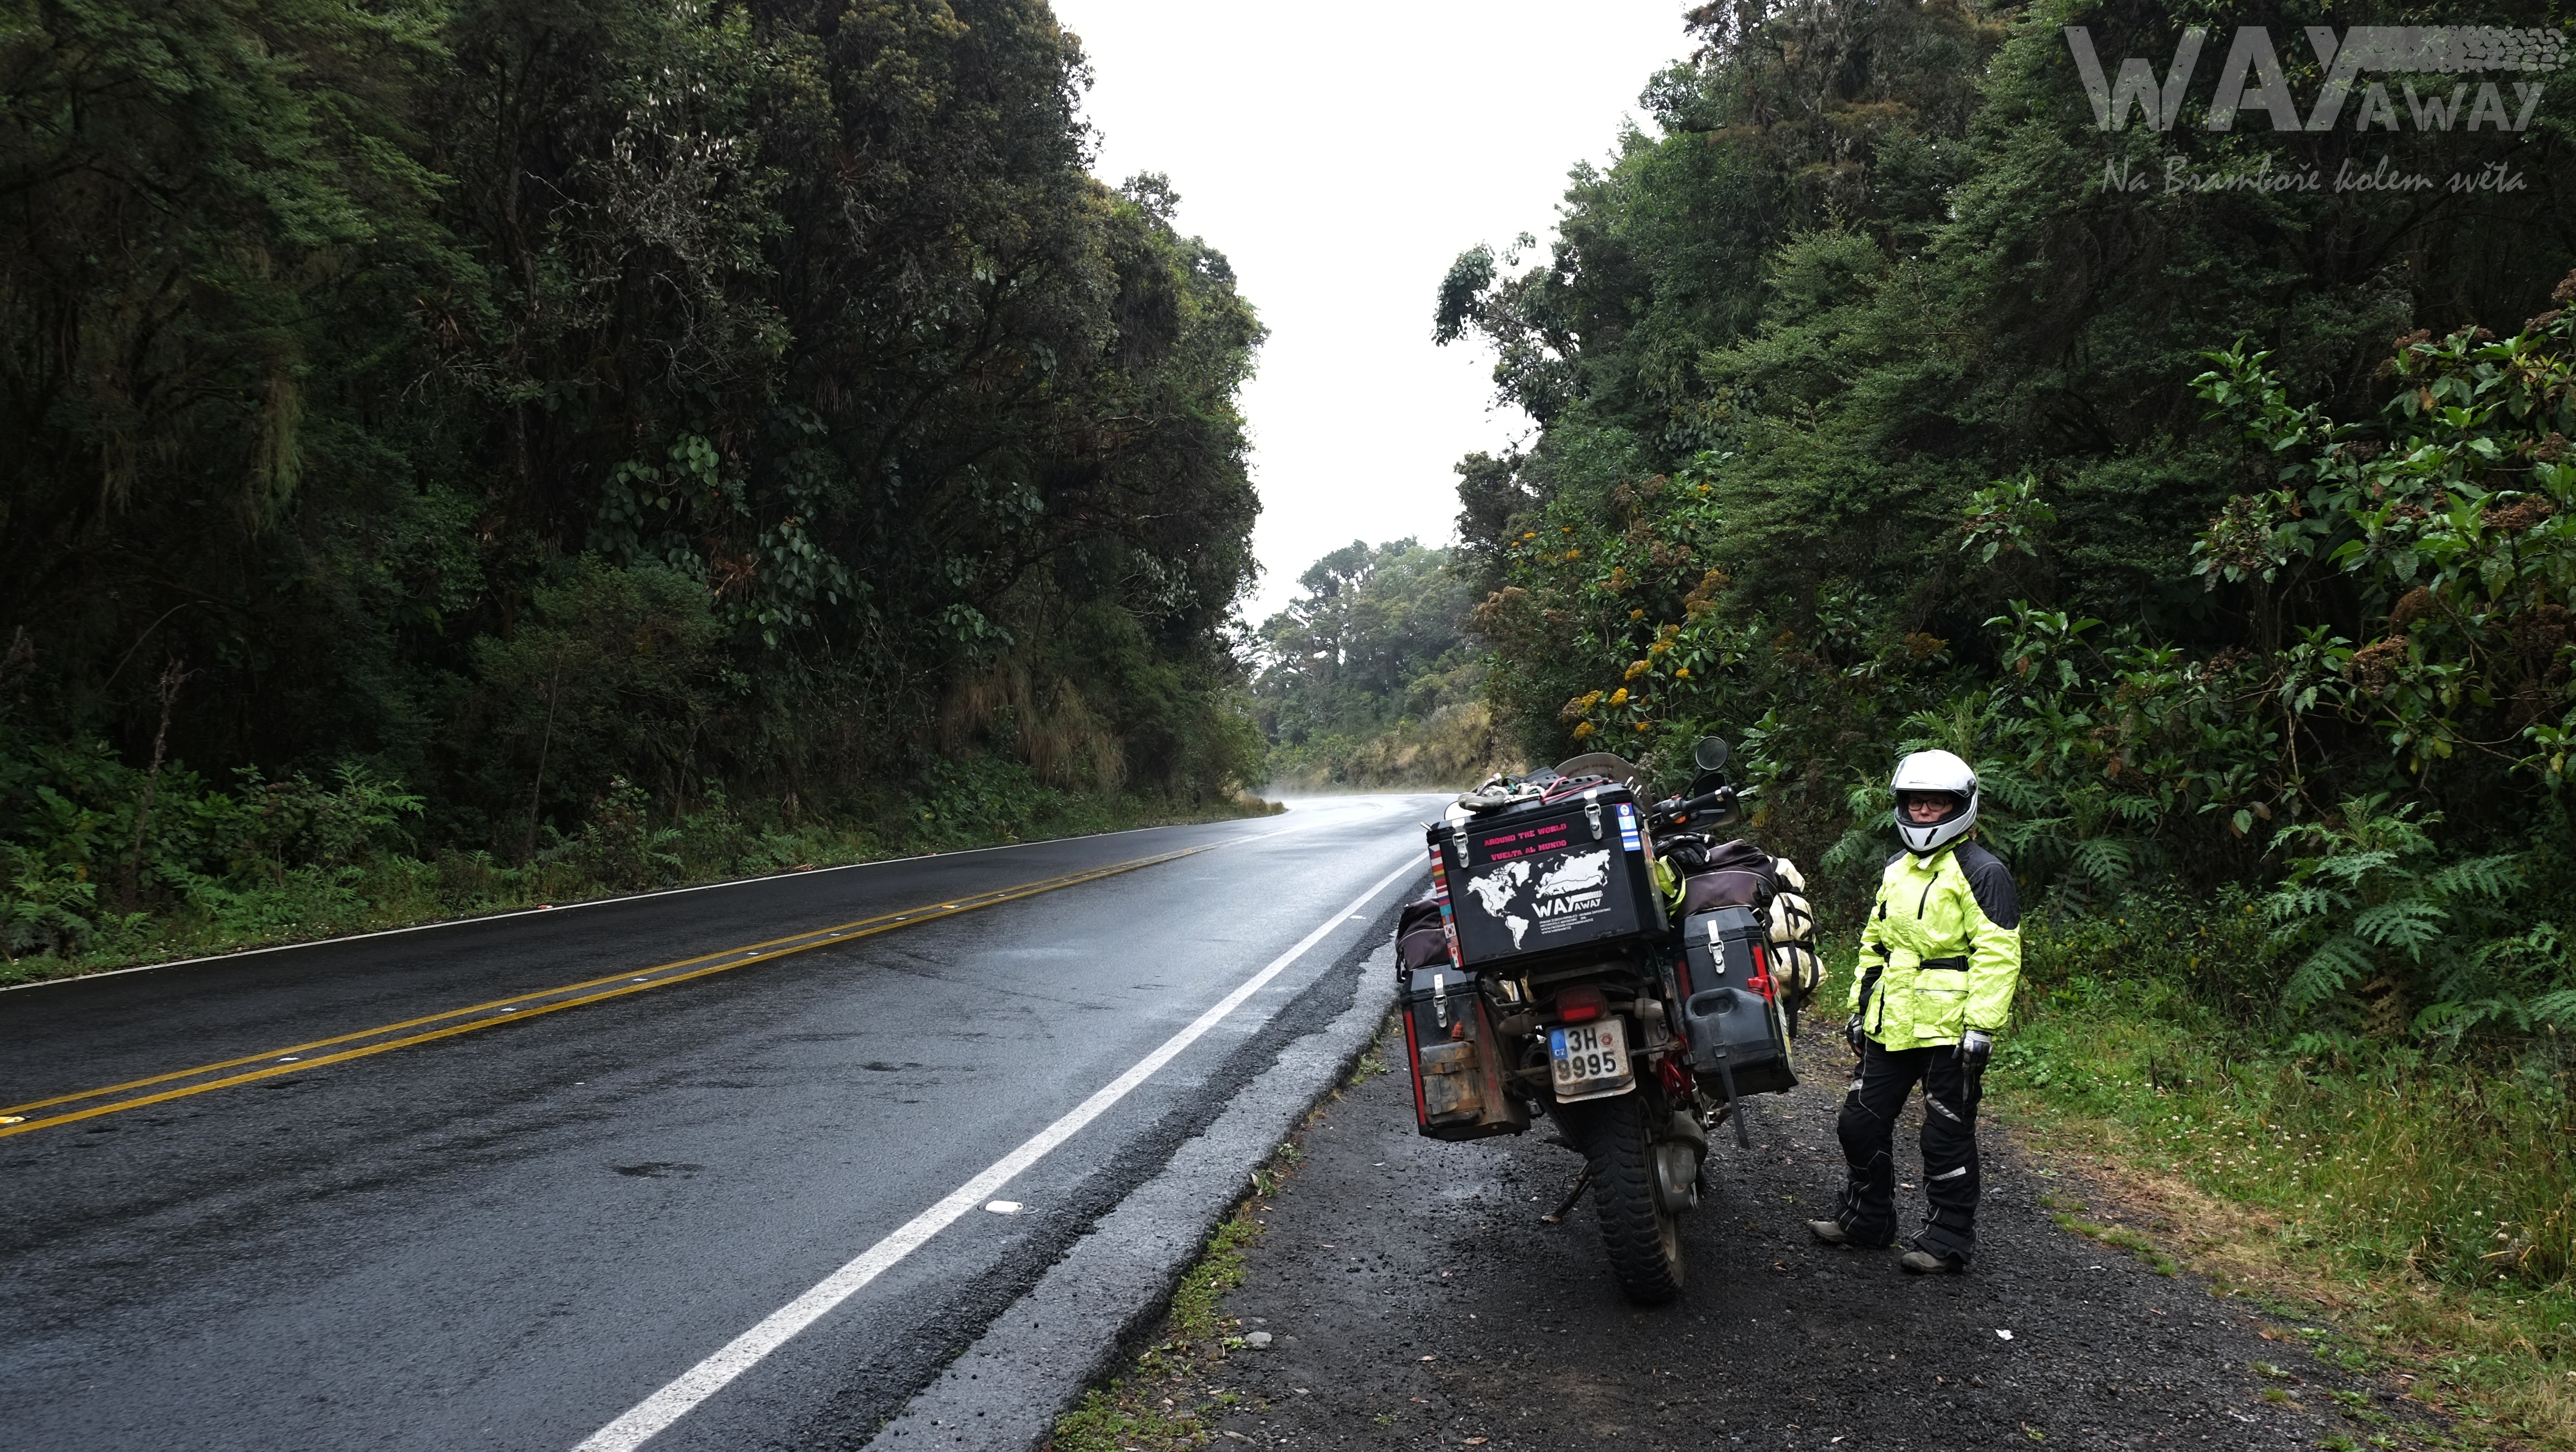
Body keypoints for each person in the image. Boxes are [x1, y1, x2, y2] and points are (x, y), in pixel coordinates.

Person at [1806, 749, 2021, 1273]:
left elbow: (1999, 952)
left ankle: (1947, 1242)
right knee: (1859, 1124)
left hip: (1950, 1030)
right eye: (1914, 802)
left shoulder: (1982, 871)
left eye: (1935, 803)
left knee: (1944, 1136)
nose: (1923, 811)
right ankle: (1867, 1219)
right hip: (1891, 1021)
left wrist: (1981, 1028)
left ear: (1960, 806)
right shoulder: (1898, 869)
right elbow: (1875, 943)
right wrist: (1860, 1008)